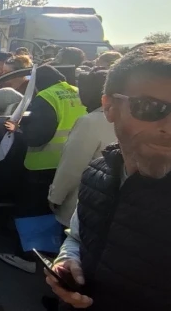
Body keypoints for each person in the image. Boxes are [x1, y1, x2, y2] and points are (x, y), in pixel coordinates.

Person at [47, 44, 171, 311]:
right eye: (149, 107)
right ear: (109, 107)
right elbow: (77, 237)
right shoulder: (96, 173)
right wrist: (66, 263)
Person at [0, 65, 87, 273]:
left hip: (43, 164)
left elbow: (37, 136)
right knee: (57, 211)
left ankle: (29, 257)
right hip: (71, 163)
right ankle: (54, 253)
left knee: (32, 211)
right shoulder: (76, 91)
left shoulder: (46, 97)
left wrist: (18, 128)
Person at [48, 70, 115, 227]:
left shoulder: (89, 122)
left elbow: (71, 168)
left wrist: (55, 197)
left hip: (83, 207)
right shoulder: (127, 118)